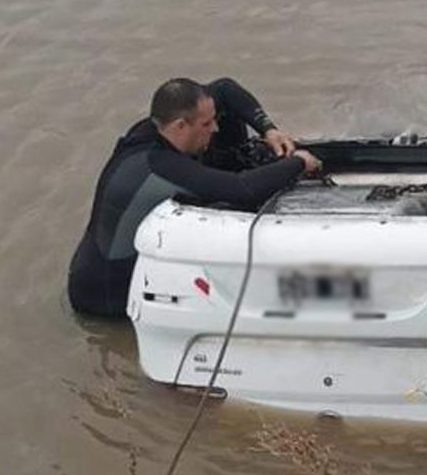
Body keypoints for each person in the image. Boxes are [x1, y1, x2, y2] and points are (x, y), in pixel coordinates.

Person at [68, 77, 321, 317]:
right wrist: (299, 162)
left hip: (90, 262)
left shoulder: (155, 128)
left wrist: (269, 129)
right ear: (180, 126)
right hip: (104, 295)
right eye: (206, 124)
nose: (216, 127)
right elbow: (242, 189)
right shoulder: (160, 166)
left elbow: (224, 88)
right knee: (232, 202)